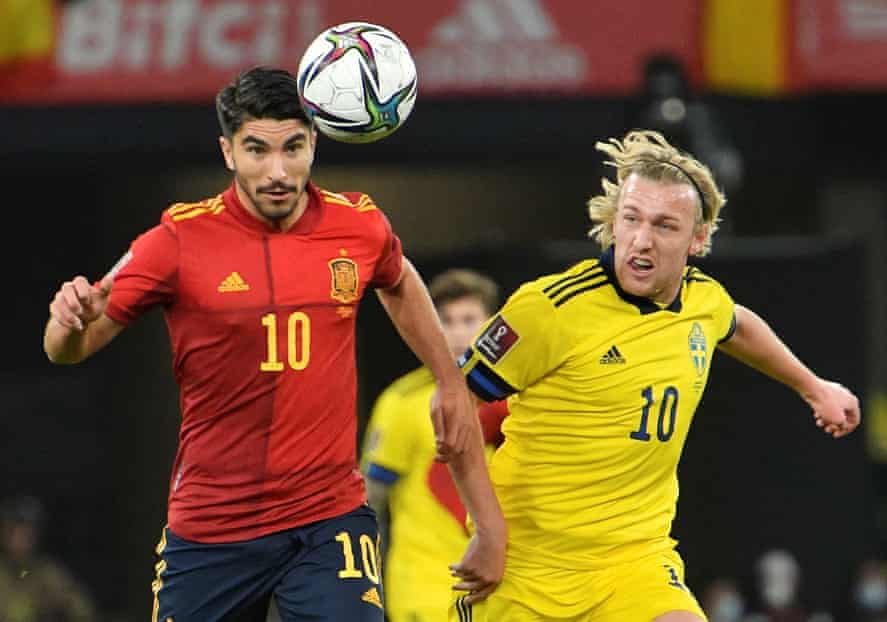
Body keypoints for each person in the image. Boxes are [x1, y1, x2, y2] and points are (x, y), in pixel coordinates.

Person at [43, 66, 504, 622]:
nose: (278, 171)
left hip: (327, 517)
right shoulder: (176, 241)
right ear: (228, 151)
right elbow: (66, 348)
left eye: (294, 148)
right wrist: (69, 322)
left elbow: (399, 278)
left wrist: (449, 379)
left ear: (315, 142)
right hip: (213, 529)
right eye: (257, 150)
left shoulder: (357, 225)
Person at [448, 129, 860, 622]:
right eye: (632, 219)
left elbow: (737, 323)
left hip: (634, 562)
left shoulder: (702, 300)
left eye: (665, 226)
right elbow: (452, 403)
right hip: (526, 566)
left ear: (698, 238)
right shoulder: (548, 310)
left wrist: (814, 387)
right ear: (615, 222)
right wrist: (490, 531)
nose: (642, 240)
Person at [362, 269, 508, 622]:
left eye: (469, 319)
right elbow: (370, 503)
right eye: (446, 321)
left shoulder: (519, 402)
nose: (458, 332)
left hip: (502, 590)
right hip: (423, 592)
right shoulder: (402, 402)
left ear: (493, 326)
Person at [0, 495, 96, 622]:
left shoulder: (48, 573)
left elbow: (83, 610)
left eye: (27, 533)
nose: (20, 540)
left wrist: (61, 603)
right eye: (14, 532)